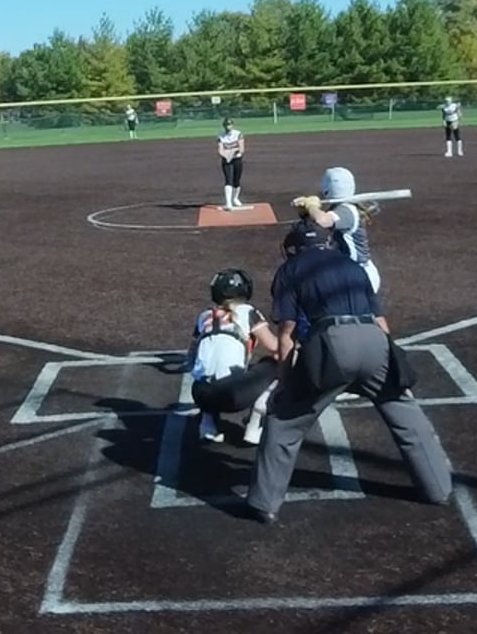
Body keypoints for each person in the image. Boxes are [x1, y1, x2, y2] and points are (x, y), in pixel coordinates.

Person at [244, 220, 451, 525]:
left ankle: (264, 503)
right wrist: (394, 369)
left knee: (285, 421)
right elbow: (381, 323)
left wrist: (285, 385)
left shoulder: (291, 269)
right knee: (405, 412)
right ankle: (438, 488)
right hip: (374, 341)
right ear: (326, 242)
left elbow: (288, 335)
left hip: (332, 344)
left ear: (294, 248)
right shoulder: (353, 266)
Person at [187, 268, 280, 445]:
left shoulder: (204, 316)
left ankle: (207, 425)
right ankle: (254, 426)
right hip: (234, 396)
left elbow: (191, 356)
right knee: (273, 364)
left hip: (199, 394)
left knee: (210, 373)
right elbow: (275, 347)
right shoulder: (248, 312)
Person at [293, 166, 380, 292]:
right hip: (349, 272)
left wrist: (311, 206)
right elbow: (318, 224)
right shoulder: (340, 208)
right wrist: (307, 213)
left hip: (360, 274)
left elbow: (323, 221)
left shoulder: (346, 210)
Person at [217, 118, 246, 210]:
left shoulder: (238, 134)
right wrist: (226, 156)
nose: (228, 127)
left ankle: (235, 198)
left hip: (236, 159)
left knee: (236, 180)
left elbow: (241, 148)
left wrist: (237, 153)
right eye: (226, 125)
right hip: (226, 160)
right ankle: (228, 202)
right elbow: (220, 150)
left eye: (229, 125)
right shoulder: (221, 136)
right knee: (228, 180)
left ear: (232, 125)